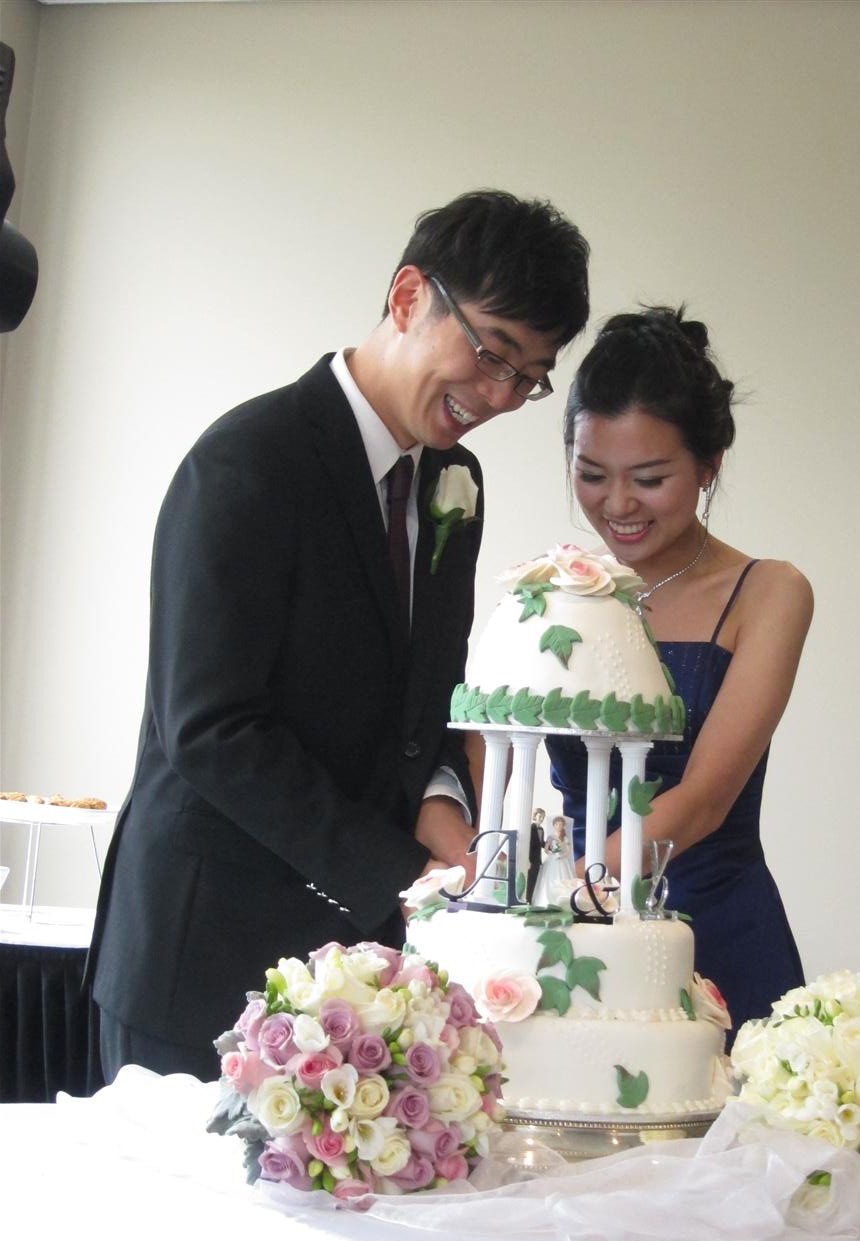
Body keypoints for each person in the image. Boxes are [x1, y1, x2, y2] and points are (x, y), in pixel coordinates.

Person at [88, 190, 590, 1082]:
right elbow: (209, 729)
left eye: (529, 377)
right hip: (202, 959)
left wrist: (446, 801)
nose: (500, 397)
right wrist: (399, 870)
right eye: (491, 354)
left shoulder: (457, 483)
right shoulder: (248, 461)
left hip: (354, 974)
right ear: (408, 297)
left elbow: (429, 694)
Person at [545, 307, 812, 1037]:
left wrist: (566, 895)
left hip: (712, 930)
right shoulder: (557, 590)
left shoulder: (769, 592)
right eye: (591, 475)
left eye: (650, 478)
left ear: (709, 463)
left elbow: (700, 804)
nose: (617, 505)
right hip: (577, 935)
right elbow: (488, 735)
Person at [531, 813, 576, 908]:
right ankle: (546, 899)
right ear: (554, 825)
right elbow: (546, 849)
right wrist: (553, 854)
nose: (559, 826)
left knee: (564, 878)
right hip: (552, 859)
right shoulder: (551, 837)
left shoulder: (565, 838)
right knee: (548, 879)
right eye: (557, 824)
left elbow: (568, 851)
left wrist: (562, 855)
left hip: (562, 860)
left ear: (563, 826)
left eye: (561, 824)